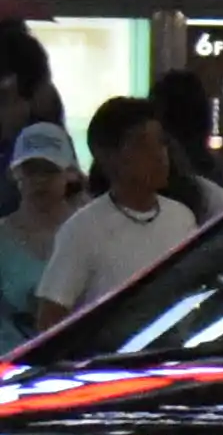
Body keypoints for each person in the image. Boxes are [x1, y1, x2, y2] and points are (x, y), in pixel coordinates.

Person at [32, 99, 201, 329]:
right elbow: (50, 320)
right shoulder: (82, 230)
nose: (159, 155)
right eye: (142, 145)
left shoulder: (182, 218)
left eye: (161, 143)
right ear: (108, 157)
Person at [0, 122, 70, 306]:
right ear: (14, 174)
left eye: (49, 170)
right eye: (30, 171)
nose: (39, 180)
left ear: (69, 173)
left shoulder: (88, 229)